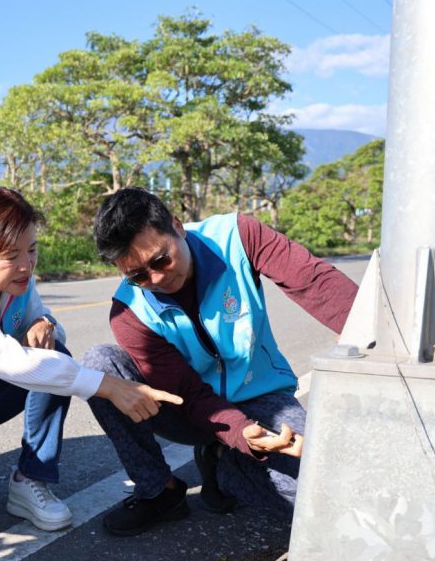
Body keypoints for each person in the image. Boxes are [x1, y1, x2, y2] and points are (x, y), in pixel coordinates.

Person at [0, 187, 182, 530]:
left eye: (32, 250)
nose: (26, 266)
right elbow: (8, 361)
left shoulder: (17, 282)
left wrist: (44, 323)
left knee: (54, 355)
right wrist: (108, 386)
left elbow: (53, 333)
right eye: (11, 255)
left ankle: (30, 479)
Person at [82, 187, 358, 536]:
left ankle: (225, 467)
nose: (156, 280)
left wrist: (367, 332)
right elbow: (188, 393)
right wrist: (242, 433)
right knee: (98, 364)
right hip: (186, 408)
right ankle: (159, 490)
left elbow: (314, 282)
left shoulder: (239, 237)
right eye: (137, 275)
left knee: (327, 486)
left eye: (161, 260)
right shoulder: (128, 312)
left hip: (262, 400)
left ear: (178, 226)